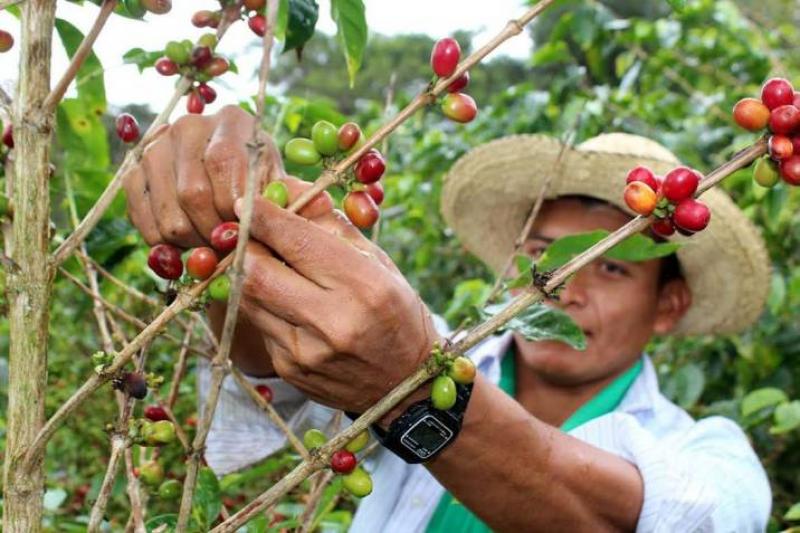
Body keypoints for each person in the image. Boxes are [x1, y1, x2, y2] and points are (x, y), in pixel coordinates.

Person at [123, 105, 772, 531]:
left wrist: (410, 390)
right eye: (546, 253)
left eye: (611, 266)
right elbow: (281, 363)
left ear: (669, 304)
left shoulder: (712, 456)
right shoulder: (438, 346)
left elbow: (654, 516)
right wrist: (225, 236)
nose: (566, 286)